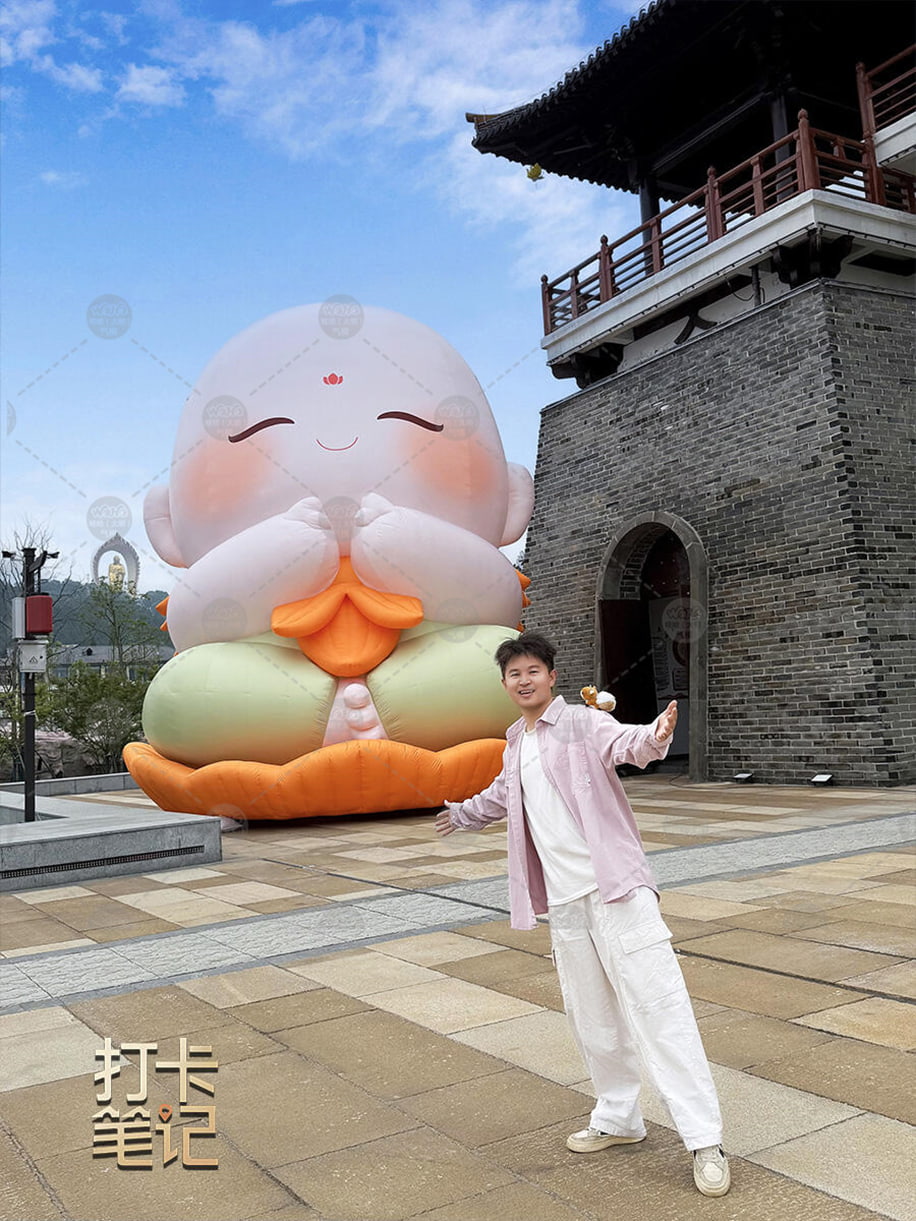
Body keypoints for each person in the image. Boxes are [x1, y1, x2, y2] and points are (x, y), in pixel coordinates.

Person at [435, 630, 730, 1198]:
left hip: (616, 891)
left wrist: (656, 735)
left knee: (659, 1007)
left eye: (533, 671)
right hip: (565, 903)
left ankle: (705, 1139)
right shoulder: (515, 742)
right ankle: (619, 1118)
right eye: (514, 674)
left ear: (551, 676)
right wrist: (464, 814)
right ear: (505, 684)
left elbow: (626, 743)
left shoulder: (581, 722)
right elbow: (503, 795)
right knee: (591, 1016)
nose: (524, 681)